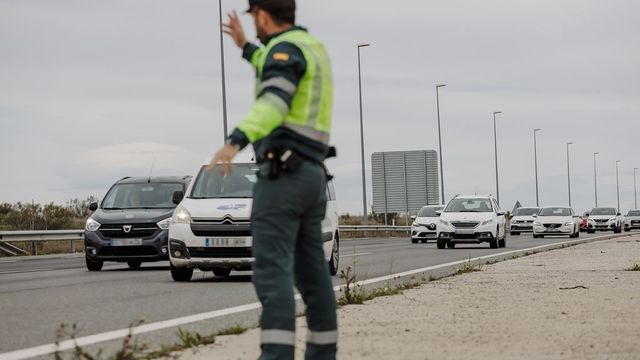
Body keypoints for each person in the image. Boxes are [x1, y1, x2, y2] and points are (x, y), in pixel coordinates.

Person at [208, 1, 337, 359]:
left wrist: (235, 140)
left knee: (271, 272)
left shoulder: (285, 51)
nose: (254, 25)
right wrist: (246, 47)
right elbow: (277, 65)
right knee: (313, 277)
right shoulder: (311, 48)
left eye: (254, 19)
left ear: (263, 15)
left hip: (283, 177)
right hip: (312, 176)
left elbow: (275, 101)